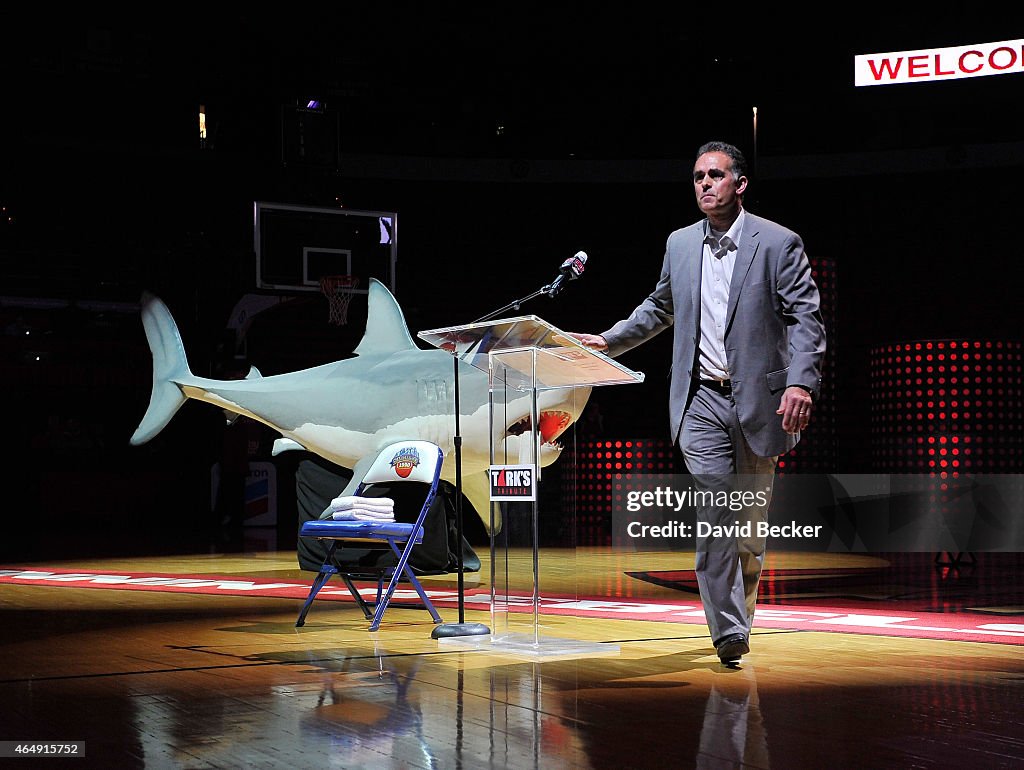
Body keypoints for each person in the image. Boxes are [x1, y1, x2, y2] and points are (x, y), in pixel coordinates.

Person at [572, 141, 826, 664]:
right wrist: (609, 339)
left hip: (762, 401)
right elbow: (659, 307)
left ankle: (739, 613)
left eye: (715, 175)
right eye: (697, 177)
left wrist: (802, 383)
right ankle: (728, 630)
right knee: (718, 507)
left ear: (740, 183)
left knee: (748, 527)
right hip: (700, 400)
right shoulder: (680, 244)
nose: (705, 184)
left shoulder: (778, 243)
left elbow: (806, 318)